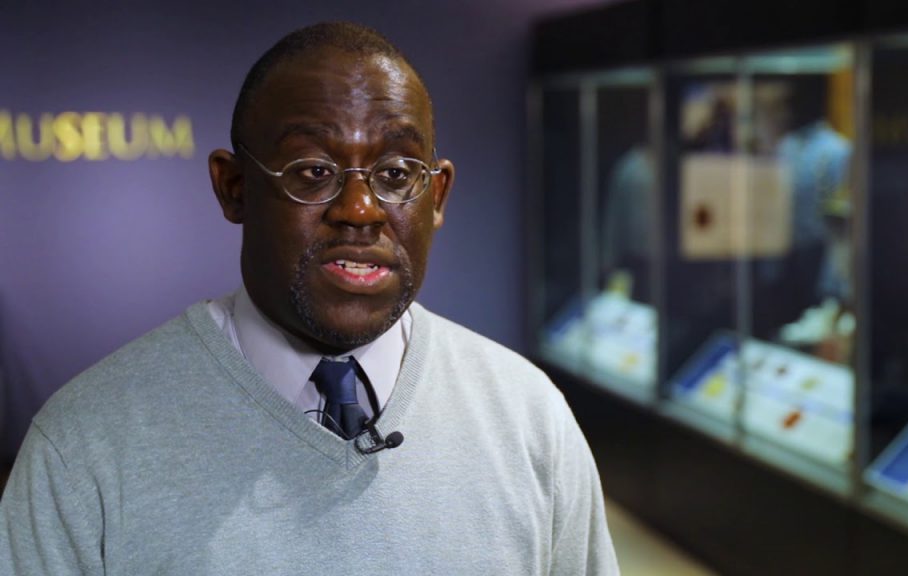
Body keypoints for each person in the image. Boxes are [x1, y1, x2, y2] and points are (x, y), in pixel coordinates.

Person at [0, 21, 618, 575]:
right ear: (234, 188)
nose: (360, 210)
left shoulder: (528, 415)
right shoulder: (84, 444)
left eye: (398, 174)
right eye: (312, 172)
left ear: (438, 197)